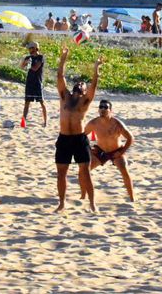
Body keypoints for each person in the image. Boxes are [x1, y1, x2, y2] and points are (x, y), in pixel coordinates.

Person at [54, 47, 103, 212]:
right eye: (79, 84)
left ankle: (92, 203)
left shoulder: (84, 102)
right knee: (61, 172)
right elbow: (60, 77)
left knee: (85, 171)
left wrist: (96, 69)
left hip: (79, 139)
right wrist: (63, 58)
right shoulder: (64, 97)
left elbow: (94, 86)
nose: (81, 85)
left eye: (83, 85)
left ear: (83, 92)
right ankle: (62, 203)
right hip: (64, 139)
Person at [83, 99, 134, 202]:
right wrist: (88, 149)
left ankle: (132, 198)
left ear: (110, 110)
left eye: (105, 107)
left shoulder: (117, 123)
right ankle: (83, 196)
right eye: (101, 107)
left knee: (125, 171)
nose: (103, 109)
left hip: (116, 151)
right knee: (85, 170)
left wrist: (122, 151)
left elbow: (130, 138)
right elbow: (82, 136)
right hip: (100, 151)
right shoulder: (94, 123)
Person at [21, 42, 47, 127]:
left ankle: (45, 122)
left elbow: (35, 68)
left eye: (31, 48)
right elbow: (22, 66)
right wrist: (25, 62)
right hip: (29, 82)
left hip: (37, 83)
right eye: (29, 48)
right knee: (27, 102)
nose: (29, 50)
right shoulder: (28, 57)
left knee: (42, 102)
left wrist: (28, 64)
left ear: (36, 48)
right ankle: (23, 121)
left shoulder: (40, 57)